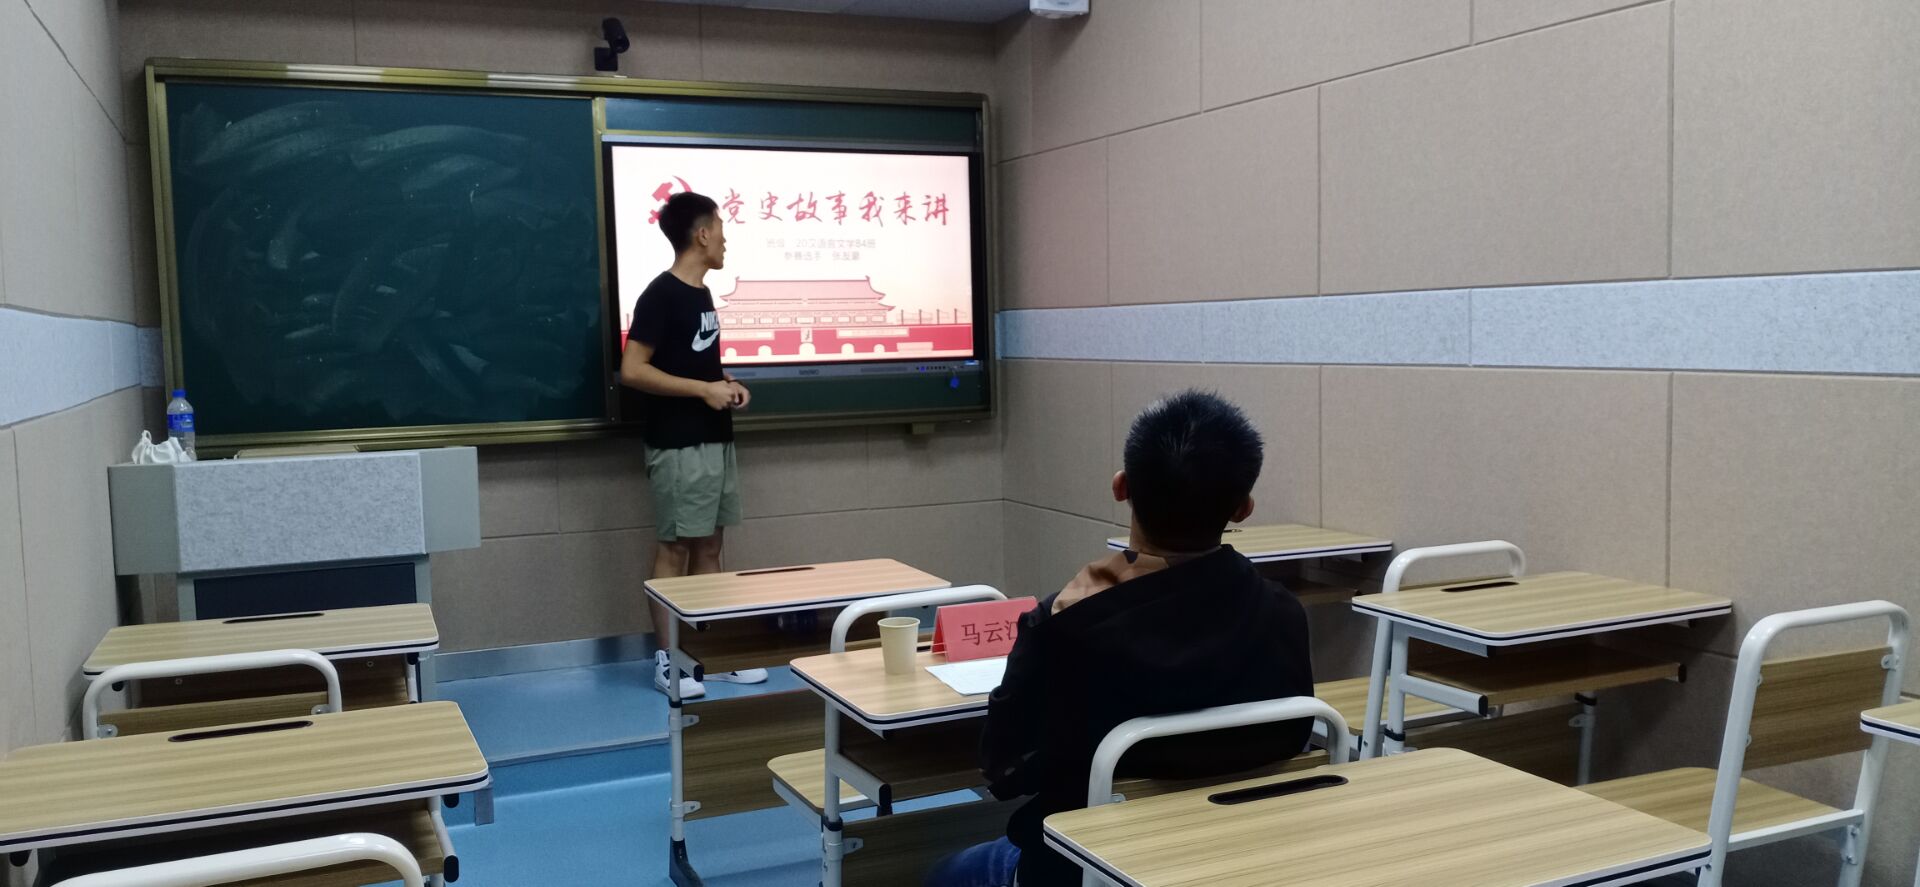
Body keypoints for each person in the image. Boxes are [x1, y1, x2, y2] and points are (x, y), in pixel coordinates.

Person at [926, 391, 1316, 887]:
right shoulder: (1283, 612)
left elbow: (1004, 773)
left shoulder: (1064, 625)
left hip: (1090, 863)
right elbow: (1291, 737)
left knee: (945, 873)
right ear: (1243, 508)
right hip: (1236, 857)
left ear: (1121, 486)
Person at [619, 191, 765, 699]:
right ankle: (668, 661)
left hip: (714, 439)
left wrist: (723, 383)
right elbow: (632, 370)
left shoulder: (701, 294)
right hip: (678, 444)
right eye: (720, 228)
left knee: (710, 546)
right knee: (675, 547)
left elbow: (692, 362)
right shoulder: (661, 294)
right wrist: (703, 391)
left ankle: (709, 653)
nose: (725, 239)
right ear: (702, 234)